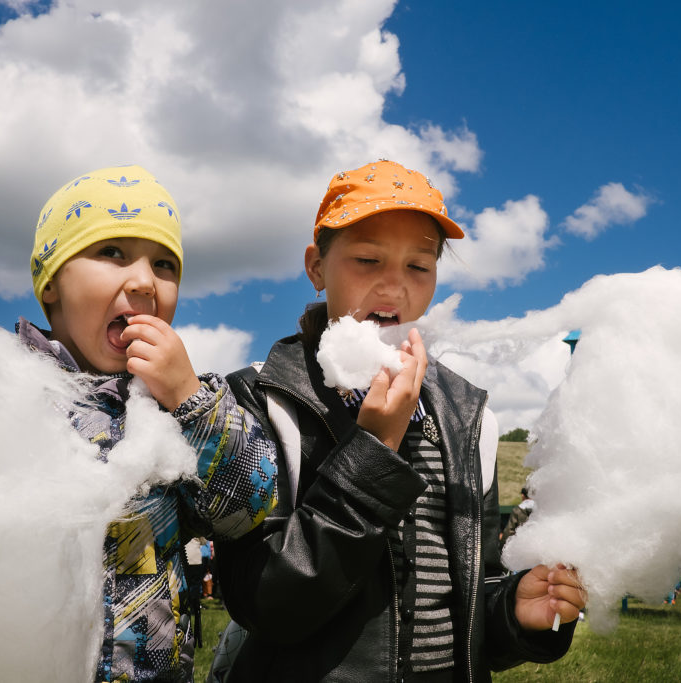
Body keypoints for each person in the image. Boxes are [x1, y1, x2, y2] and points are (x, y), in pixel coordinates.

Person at [212, 160, 585, 682]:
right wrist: (375, 448)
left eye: (419, 266)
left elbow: (468, 602)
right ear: (316, 267)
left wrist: (512, 611)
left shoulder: (469, 417)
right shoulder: (259, 399)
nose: (394, 284)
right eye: (367, 259)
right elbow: (267, 605)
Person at [20, 165, 278, 682]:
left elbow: (247, 511)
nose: (142, 281)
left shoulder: (181, 405)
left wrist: (188, 399)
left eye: (164, 264)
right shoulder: (4, 389)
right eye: (111, 252)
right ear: (50, 284)